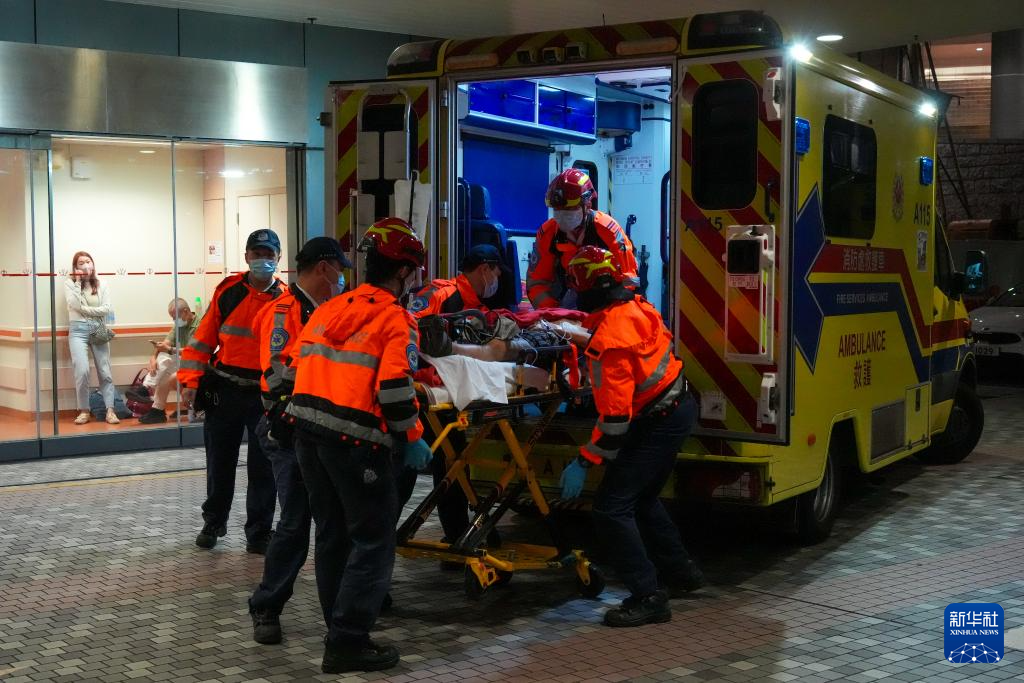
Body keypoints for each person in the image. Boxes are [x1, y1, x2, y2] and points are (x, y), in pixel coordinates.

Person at [284, 217, 432, 674]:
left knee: (332, 535)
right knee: (372, 540)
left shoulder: (329, 308)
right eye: (414, 271)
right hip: (356, 443)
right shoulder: (395, 319)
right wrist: (412, 438)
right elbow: (394, 390)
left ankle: (338, 628)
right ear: (403, 271)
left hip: (309, 434)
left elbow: (292, 369)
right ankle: (348, 640)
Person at [558, 246, 704, 628]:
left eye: (575, 286)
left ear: (588, 288)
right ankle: (681, 572)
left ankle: (648, 596)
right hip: (677, 407)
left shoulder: (609, 343)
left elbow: (614, 425)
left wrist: (583, 461)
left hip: (657, 420)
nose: (573, 293)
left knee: (611, 508)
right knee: (642, 498)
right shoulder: (635, 307)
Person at [248, 236, 351, 646]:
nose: (342, 279)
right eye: (339, 270)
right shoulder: (283, 311)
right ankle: (266, 606)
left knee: (333, 523)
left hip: (323, 427)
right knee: (295, 522)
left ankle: (344, 610)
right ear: (324, 267)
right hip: (288, 428)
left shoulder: (331, 310)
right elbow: (277, 373)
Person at [178, 229, 286, 554]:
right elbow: (202, 340)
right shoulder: (228, 292)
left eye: (269, 255)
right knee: (219, 462)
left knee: (263, 467)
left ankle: (259, 533)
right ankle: (214, 522)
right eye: (257, 254)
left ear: (278, 258)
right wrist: (190, 381)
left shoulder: (286, 301)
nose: (263, 260)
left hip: (264, 396)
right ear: (247, 257)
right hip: (224, 391)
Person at [400, 243, 508, 552]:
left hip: (449, 397)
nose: (498, 279)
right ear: (485, 269)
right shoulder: (440, 294)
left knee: (453, 464)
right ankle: (377, 538)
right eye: (496, 272)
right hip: (423, 394)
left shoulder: (478, 309)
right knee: (406, 473)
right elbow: (408, 331)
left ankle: (457, 536)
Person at [525, 168, 639, 310]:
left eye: (569, 209)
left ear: (587, 204)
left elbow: (630, 281)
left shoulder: (608, 230)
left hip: (607, 303)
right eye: (557, 210)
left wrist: (605, 313)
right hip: (563, 307)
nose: (562, 215)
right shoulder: (548, 233)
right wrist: (554, 313)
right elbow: (537, 283)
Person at [64, 251, 119, 425]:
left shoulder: (102, 283)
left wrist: (85, 310)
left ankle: (110, 410)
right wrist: (78, 281)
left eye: (88, 261)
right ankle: (84, 410)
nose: (86, 265)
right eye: (81, 263)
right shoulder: (70, 283)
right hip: (77, 331)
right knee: (82, 371)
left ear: (93, 264)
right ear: (75, 267)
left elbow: (106, 308)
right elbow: (73, 304)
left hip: (98, 328)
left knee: (105, 371)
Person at [138, 298, 199, 424]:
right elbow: (165, 344)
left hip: (197, 365)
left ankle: (147, 389)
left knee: (167, 363)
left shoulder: (200, 325)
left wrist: (170, 349)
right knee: (164, 369)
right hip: (184, 363)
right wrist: (153, 358)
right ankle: (156, 408)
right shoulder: (179, 326)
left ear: (186, 311)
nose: (174, 320)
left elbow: (194, 352)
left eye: (175, 317)